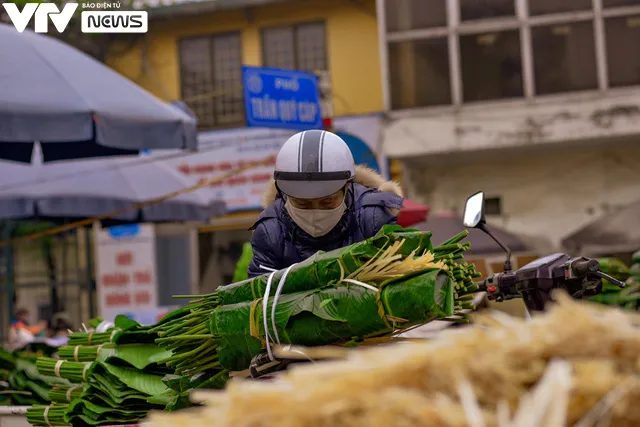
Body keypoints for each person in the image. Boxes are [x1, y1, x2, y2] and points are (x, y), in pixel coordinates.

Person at [247, 129, 404, 278]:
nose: (316, 211)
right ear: (285, 194)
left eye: (327, 201)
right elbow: (261, 296)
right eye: (303, 204)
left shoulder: (373, 219)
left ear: (347, 187)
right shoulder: (270, 232)